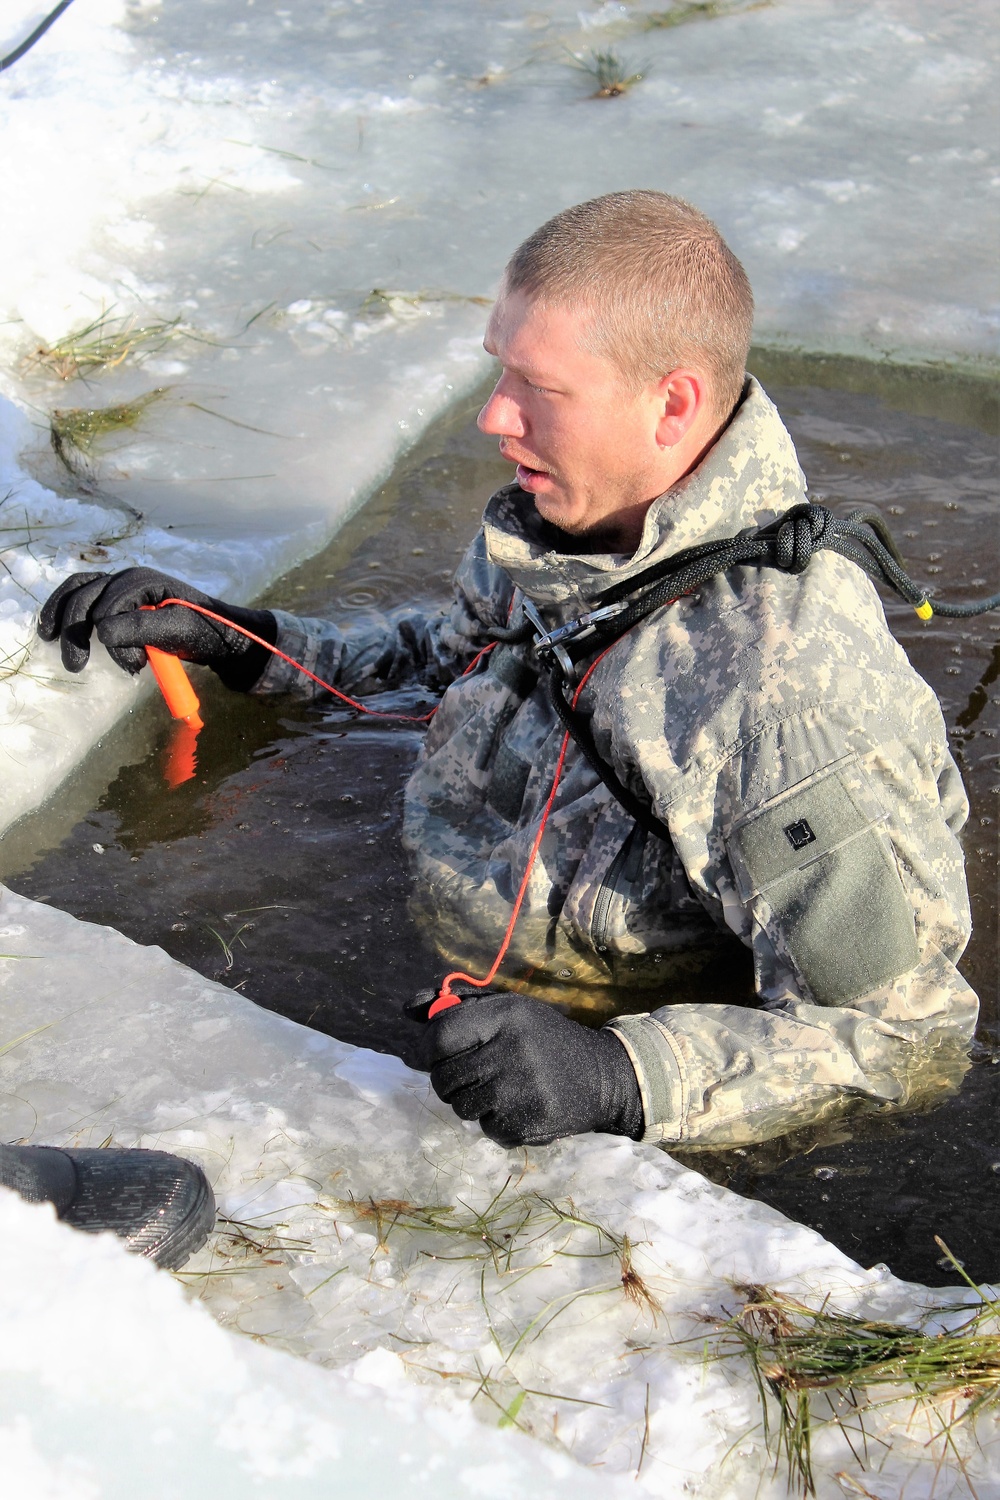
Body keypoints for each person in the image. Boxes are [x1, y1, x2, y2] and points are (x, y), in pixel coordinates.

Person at [38, 191, 978, 1154]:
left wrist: (619, 1078)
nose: (494, 416)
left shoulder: (781, 697)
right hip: (450, 989)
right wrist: (243, 641)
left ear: (673, 403)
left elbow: (905, 1036)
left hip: (578, 1083)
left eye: (540, 388)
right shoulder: (565, 532)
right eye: (500, 372)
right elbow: (436, 664)